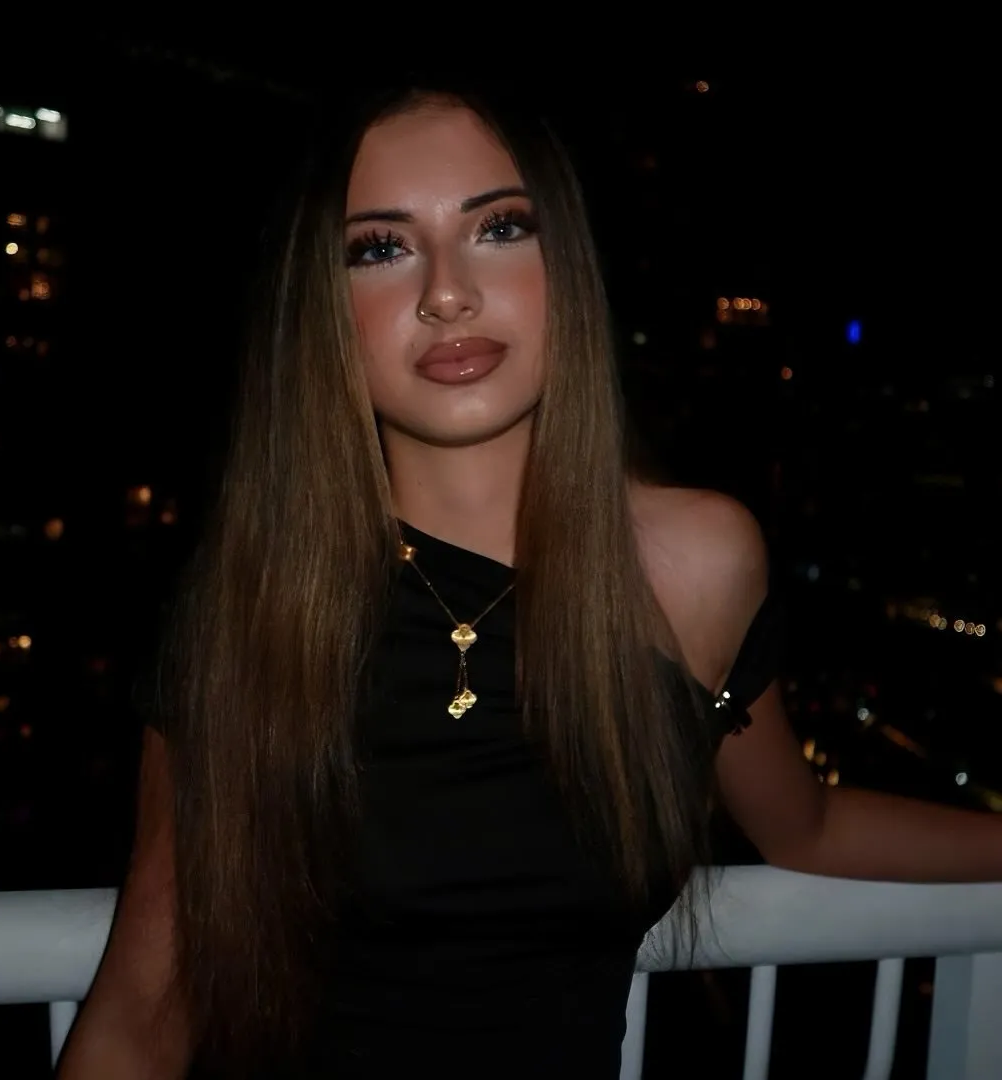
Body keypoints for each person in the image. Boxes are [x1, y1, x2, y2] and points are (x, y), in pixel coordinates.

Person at [56, 79, 1002, 1080]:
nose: (447, 292)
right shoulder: (253, 602)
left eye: (499, 228)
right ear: (321, 308)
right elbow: (144, 1014)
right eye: (380, 248)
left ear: (568, 265)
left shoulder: (694, 563)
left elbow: (806, 827)